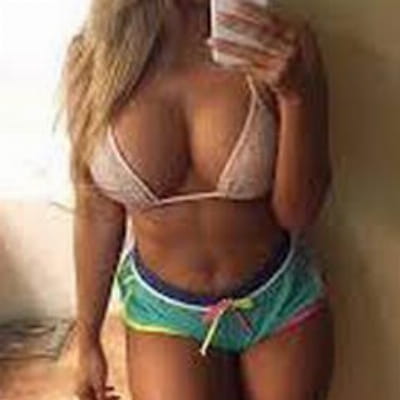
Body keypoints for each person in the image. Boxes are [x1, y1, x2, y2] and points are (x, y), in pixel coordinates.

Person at [62, 0, 333, 399]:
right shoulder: (92, 57)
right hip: (166, 310)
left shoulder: (282, 46)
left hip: (278, 297)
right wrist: (88, 340)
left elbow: (299, 214)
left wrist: (295, 96)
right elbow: (96, 209)